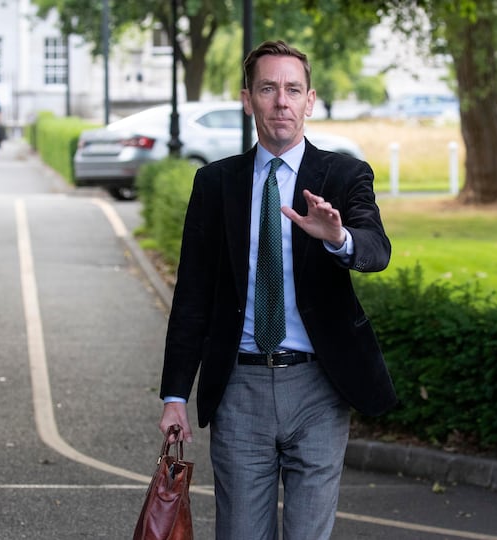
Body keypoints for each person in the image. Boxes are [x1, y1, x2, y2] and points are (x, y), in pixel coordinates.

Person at [158, 40, 397, 540]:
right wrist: (176, 394)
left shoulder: (344, 174)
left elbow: (376, 249)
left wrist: (339, 238)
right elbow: (193, 297)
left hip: (318, 387)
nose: (280, 102)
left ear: (310, 100)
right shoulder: (215, 183)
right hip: (239, 389)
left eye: (292, 89)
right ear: (249, 99)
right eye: (268, 89)